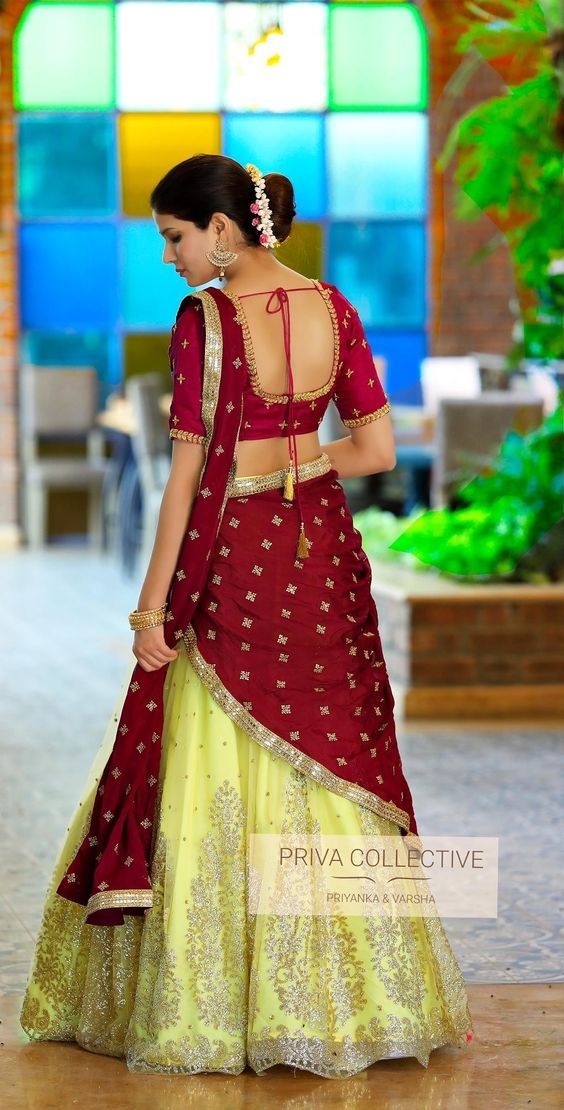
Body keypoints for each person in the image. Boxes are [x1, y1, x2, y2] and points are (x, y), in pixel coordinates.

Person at [19, 154, 473, 1077]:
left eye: (174, 236)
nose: (169, 256)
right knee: (333, 759)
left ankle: (220, 1007)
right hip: (323, 565)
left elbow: (188, 476)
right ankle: (366, 1004)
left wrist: (152, 610)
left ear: (222, 230)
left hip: (234, 565)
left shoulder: (208, 320)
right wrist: (299, 466)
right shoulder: (335, 308)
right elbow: (376, 447)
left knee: (215, 768)